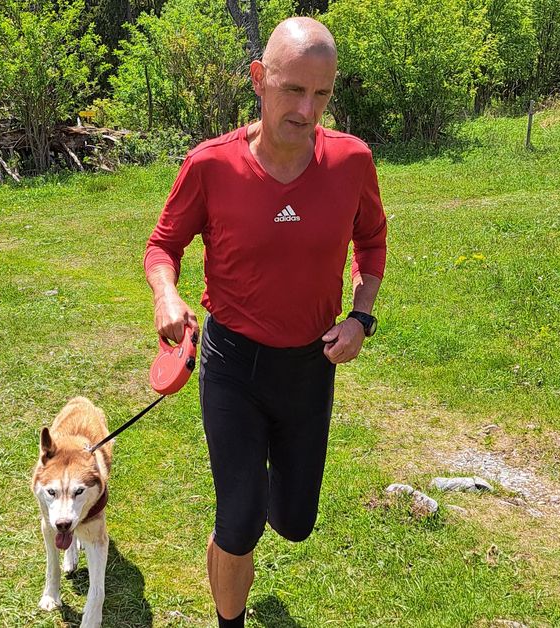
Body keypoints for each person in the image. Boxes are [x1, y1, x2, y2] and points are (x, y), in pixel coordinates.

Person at [143, 17, 386, 628]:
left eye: (323, 93)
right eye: (293, 90)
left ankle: (266, 481)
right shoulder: (211, 165)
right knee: (240, 520)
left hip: (310, 366)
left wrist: (361, 317)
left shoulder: (352, 162)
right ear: (259, 79)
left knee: (296, 523)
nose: (308, 109)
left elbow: (373, 242)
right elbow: (162, 246)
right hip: (234, 366)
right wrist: (166, 296)